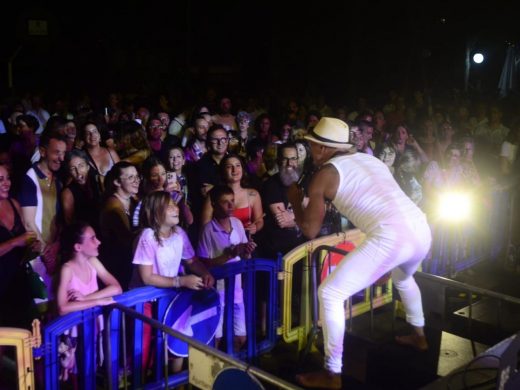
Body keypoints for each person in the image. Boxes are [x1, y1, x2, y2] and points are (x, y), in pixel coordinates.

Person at [287, 118, 431, 389]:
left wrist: (295, 197)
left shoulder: (325, 174)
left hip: (391, 236)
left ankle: (332, 373)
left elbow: (309, 229)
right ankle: (419, 333)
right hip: (421, 228)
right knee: (403, 278)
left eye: (310, 145)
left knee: (330, 293)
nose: (309, 150)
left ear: (320, 148)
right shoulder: (372, 160)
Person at [131, 191, 214, 372]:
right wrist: (181, 281)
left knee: (175, 344)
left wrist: (205, 273)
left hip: (169, 299)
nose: (176, 208)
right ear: (155, 212)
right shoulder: (147, 236)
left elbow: (192, 261)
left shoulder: (179, 234)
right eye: (169, 206)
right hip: (146, 302)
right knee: (146, 352)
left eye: (175, 205)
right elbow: (147, 277)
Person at [197, 185, 257, 350]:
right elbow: (203, 263)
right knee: (216, 336)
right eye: (225, 202)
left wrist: (246, 250)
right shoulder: (208, 230)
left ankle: (233, 367)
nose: (231, 206)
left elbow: (245, 255)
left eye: (232, 201)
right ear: (215, 205)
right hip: (217, 291)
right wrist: (229, 255)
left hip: (237, 288)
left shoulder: (237, 224)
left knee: (240, 336)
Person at [0, 163, 41, 328]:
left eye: (8, 178)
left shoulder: (14, 204)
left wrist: (33, 247)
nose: (6, 183)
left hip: (19, 281)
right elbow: (17, 241)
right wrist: (15, 242)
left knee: (29, 333)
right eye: (0, 179)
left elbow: (25, 241)